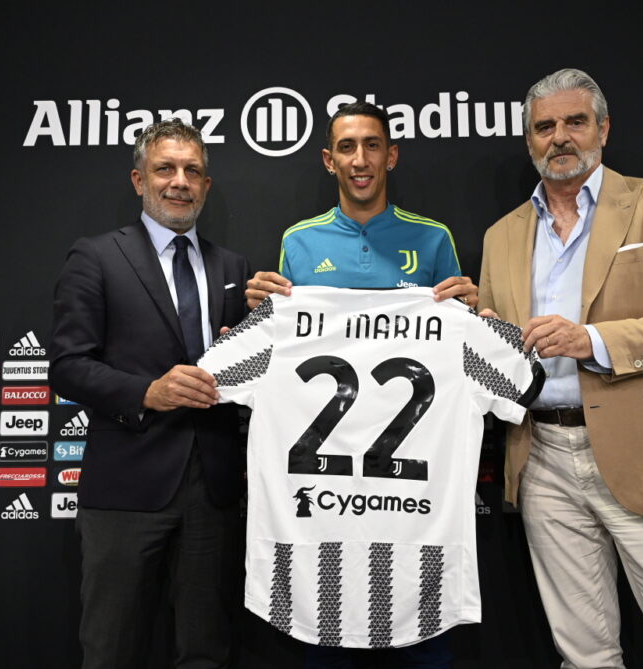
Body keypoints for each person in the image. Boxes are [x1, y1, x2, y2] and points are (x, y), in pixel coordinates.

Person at [478, 69, 643, 668]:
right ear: (529, 139)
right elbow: (499, 353)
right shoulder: (502, 235)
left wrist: (591, 339)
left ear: (603, 129)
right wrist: (477, 332)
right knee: (585, 657)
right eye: (544, 126)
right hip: (542, 458)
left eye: (575, 121)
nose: (559, 137)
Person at [245, 101, 477, 668]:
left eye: (372, 145)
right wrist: (261, 316)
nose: (360, 160)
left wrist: (473, 313)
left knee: (419, 638)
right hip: (327, 486)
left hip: (412, 488)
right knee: (326, 630)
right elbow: (282, 348)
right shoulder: (300, 241)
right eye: (347, 147)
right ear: (329, 160)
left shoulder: (432, 238)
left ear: (391, 156)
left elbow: (459, 342)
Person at [50, 118, 251, 669]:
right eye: (165, 169)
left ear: (206, 185)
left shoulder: (232, 267)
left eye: (192, 171)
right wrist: (148, 392)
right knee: (112, 650)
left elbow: (245, 375)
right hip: (125, 487)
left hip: (213, 489)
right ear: (139, 180)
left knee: (206, 651)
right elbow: (67, 366)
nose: (179, 181)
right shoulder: (96, 257)